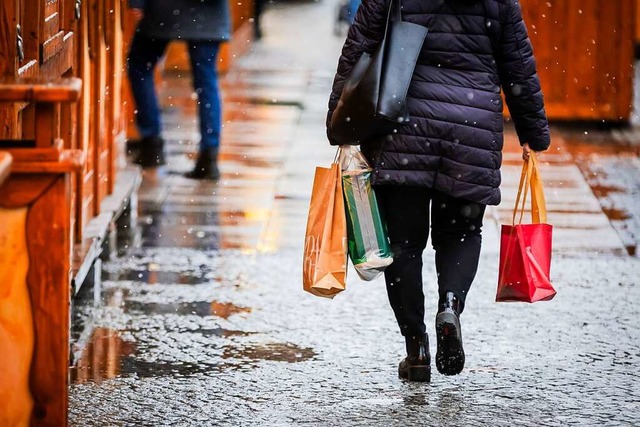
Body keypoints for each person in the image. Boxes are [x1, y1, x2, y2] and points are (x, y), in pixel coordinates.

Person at [326, 0, 550, 382]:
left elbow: (358, 47)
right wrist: (532, 131)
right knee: (461, 232)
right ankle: (450, 305)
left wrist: (341, 119)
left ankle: (416, 348)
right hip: (471, 130)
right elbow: (518, 65)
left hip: (403, 123)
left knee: (403, 246)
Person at [127, 0, 231, 179]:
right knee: (207, 81)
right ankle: (209, 155)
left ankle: (152, 143)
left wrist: (138, 2)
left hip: (165, 9)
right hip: (209, 13)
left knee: (140, 65)